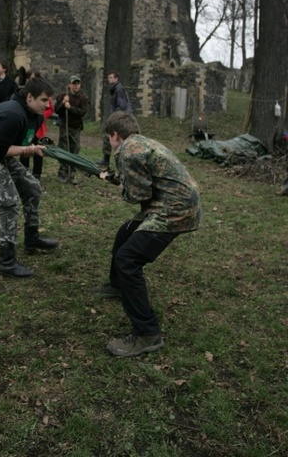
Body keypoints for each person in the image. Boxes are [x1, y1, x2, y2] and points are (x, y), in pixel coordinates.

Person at [93, 111, 202, 357]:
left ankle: (147, 333)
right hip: (177, 203)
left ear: (115, 135)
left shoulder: (126, 150)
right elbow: (146, 180)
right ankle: (117, 285)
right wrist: (114, 178)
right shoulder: (144, 142)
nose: (109, 145)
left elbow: (138, 196)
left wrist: (122, 188)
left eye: (108, 139)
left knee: (128, 260)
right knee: (125, 233)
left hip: (174, 210)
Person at [0, 77, 59, 279]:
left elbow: (22, 141)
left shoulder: (35, 115)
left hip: (0, 152)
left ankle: (32, 238)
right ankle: (7, 261)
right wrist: (30, 149)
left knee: (32, 187)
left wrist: (38, 146)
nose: (47, 105)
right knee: (8, 201)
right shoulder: (12, 114)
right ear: (29, 97)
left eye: (48, 100)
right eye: (43, 100)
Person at [20, 70, 54, 180]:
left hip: (38, 128)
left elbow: (50, 108)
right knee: (25, 148)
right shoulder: (25, 94)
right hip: (27, 127)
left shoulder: (43, 94)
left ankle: (37, 174)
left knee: (38, 151)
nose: (31, 80)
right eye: (29, 78)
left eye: (34, 78)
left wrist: (42, 116)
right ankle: (23, 171)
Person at [54, 74, 88, 184]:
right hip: (65, 126)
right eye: (74, 83)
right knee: (64, 148)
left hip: (76, 127)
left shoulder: (82, 98)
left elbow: (82, 112)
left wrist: (70, 108)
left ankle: (72, 173)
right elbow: (57, 111)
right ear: (69, 84)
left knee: (75, 149)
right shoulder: (63, 96)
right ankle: (63, 172)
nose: (76, 86)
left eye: (78, 83)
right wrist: (63, 104)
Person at [97, 71, 132, 168]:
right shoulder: (115, 89)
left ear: (116, 79)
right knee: (109, 138)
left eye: (111, 77)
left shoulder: (118, 90)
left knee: (113, 139)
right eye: (108, 77)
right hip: (118, 118)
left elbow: (121, 106)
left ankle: (111, 161)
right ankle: (107, 159)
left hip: (119, 119)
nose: (109, 79)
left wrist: (116, 119)